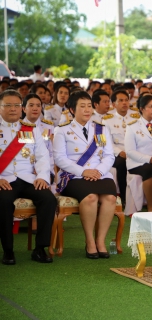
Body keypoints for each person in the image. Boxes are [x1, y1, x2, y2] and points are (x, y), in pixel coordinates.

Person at [53, 91, 117, 259]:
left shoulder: (101, 129)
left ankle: (100, 241)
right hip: (74, 176)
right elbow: (59, 159)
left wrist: (99, 171)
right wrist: (83, 171)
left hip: (100, 173)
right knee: (90, 198)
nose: (87, 110)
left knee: (110, 198)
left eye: (89, 106)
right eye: (82, 106)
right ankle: (90, 241)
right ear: (72, 110)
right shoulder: (62, 130)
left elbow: (109, 155)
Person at [0, 90, 56, 265]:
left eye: (16, 105)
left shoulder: (31, 130)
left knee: (48, 199)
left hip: (27, 179)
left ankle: (40, 249)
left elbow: (42, 156)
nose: (12, 109)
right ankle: (8, 250)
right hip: (4, 179)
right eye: (7, 105)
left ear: (21, 108)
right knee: (3, 201)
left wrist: (41, 177)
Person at [124, 95, 152, 212]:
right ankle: (151, 207)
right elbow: (130, 151)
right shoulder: (132, 126)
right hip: (137, 163)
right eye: (150, 106)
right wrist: (149, 159)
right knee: (150, 169)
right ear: (142, 108)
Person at [103, 90, 140, 204]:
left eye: (126, 100)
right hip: (117, 154)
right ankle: (125, 198)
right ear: (114, 104)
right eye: (121, 100)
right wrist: (120, 152)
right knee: (122, 163)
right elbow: (106, 142)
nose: (125, 103)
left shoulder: (137, 118)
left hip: (134, 152)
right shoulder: (107, 120)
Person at [22, 94, 55, 180]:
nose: (35, 108)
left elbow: (51, 154)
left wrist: (46, 171)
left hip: (45, 171)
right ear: (24, 109)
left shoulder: (48, 127)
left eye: (38, 105)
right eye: (31, 105)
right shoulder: (18, 128)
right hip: (23, 172)